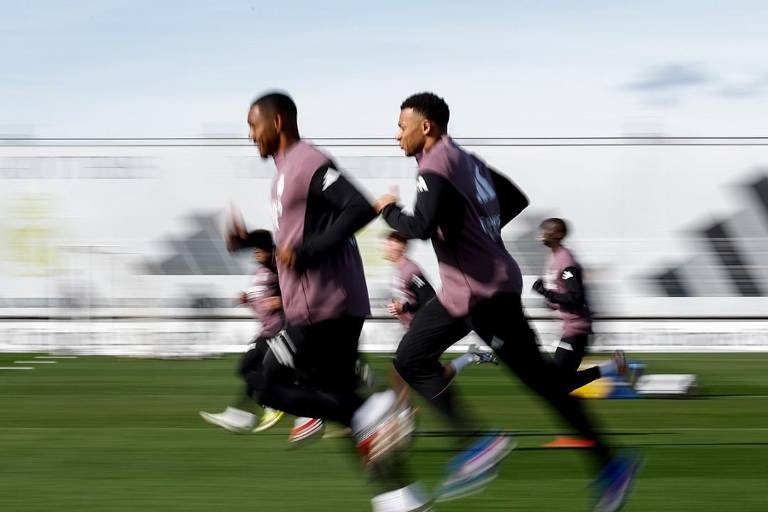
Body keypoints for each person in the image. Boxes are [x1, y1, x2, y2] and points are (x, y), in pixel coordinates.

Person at [374, 92, 639, 510]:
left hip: (482, 295)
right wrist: (482, 234)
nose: (397, 135)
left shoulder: (433, 164)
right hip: (474, 289)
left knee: (534, 382)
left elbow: (420, 225)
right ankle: (610, 465)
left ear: (426, 127)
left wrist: (388, 210)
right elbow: (514, 198)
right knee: (415, 357)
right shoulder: (468, 161)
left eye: (401, 126)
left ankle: (482, 444)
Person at [245, 92, 428, 511]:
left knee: (262, 378)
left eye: (254, 127)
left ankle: (376, 408)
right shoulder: (282, 173)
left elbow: (357, 207)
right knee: (340, 401)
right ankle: (399, 497)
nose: (251, 136)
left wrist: (306, 252)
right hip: (316, 305)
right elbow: (299, 236)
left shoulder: (306, 161)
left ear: (277, 124)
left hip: (323, 306)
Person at [382, 230, 498, 383]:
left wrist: (403, 308)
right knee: (421, 375)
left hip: (420, 331)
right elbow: (408, 297)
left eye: (390, 243)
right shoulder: (398, 270)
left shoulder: (410, 269)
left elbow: (427, 297)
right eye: (385, 243)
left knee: (404, 372)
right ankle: (470, 357)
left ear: (401, 246)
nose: (386, 247)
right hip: (412, 330)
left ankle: (470, 357)